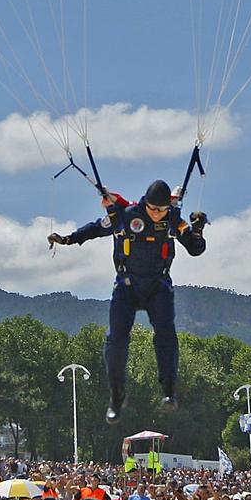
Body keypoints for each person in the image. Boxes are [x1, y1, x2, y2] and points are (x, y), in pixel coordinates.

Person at [48, 179, 207, 420]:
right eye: (154, 209)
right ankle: (117, 395)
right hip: (127, 287)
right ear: (146, 203)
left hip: (158, 286)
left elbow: (195, 249)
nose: (157, 214)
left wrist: (197, 230)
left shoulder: (173, 219)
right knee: (116, 341)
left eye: (162, 210)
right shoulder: (126, 216)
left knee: (166, 334)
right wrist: (68, 239)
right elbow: (95, 229)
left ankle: (169, 389)